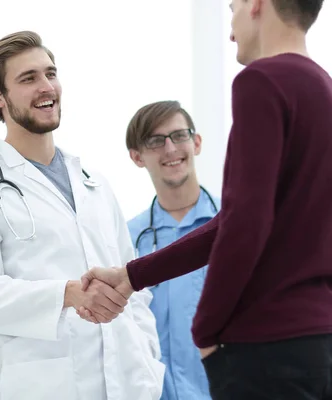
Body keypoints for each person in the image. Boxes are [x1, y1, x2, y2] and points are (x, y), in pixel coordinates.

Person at [80, 0, 332, 399]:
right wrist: (132, 277)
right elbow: (238, 221)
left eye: (232, 8)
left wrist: (206, 331)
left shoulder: (261, 81)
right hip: (318, 343)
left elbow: (244, 224)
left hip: (263, 351)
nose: (230, 28)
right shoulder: (322, 88)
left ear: (256, 5)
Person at [0, 31, 164, 400]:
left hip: (129, 384)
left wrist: (148, 362)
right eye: (28, 79)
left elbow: (133, 284)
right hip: (47, 385)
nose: (46, 86)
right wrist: (66, 294)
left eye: (50, 73)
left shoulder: (92, 181)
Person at [126, 100, 219, 400]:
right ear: (137, 157)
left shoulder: (237, 225)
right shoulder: (127, 239)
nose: (170, 149)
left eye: (179, 136)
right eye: (155, 141)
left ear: (197, 142)